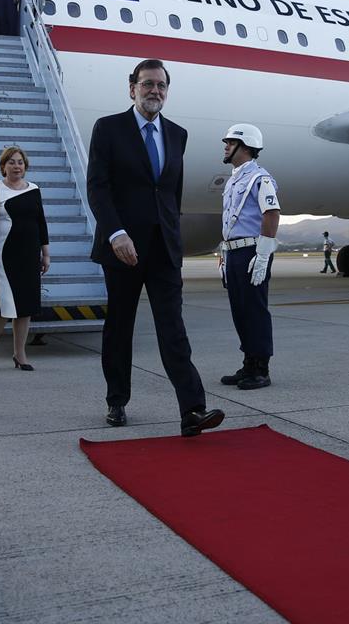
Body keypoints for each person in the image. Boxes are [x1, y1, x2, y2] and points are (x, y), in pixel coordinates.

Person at [87, 58, 225, 436]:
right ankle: (117, 400)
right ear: (132, 88)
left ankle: (193, 409)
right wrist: (116, 233)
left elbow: (169, 194)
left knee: (173, 328)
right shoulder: (109, 128)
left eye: (161, 85)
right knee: (120, 327)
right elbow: (97, 187)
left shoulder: (177, 134)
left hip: (163, 248)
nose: (155, 91)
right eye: (147, 84)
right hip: (122, 248)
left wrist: (175, 237)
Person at [217, 124, 281, 390]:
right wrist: (223, 255)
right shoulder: (234, 179)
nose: (225, 146)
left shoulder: (260, 179)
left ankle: (261, 369)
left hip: (252, 250)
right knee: (239, 310)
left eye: (230, 142)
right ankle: (248, 363)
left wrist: (264, 254)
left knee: (254, 310)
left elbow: (272, 214)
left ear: (245, 147)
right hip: (234, 251)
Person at [0, 146, 50, 370]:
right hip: (4, 257)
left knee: (25, 305)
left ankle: (20, 354)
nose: (17, 166)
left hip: (30, 255)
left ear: (25, 166)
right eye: (12, 162)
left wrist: (46, 254)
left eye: (20, 162)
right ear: (3, 166)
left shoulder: (34, 189)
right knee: (5, 305)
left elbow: (41, 223)